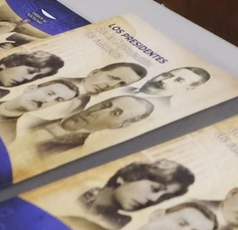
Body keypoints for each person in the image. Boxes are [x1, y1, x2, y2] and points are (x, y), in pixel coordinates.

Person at [65, 158, 196, 229]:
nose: (154, 199)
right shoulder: (73, 190)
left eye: (164, 198)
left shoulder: (119, 223)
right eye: (155, 189)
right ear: (128, 177)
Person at [24, 94, 155, 157]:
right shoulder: (33, 115)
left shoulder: (73, 153)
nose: (95, 113)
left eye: (115, 113)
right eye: (105, 105)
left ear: (121, 126)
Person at [135, 66, 211, 99]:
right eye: (167, 75)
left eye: (179, 80)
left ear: (187, 89)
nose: (163, 80)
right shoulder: (128, 87)